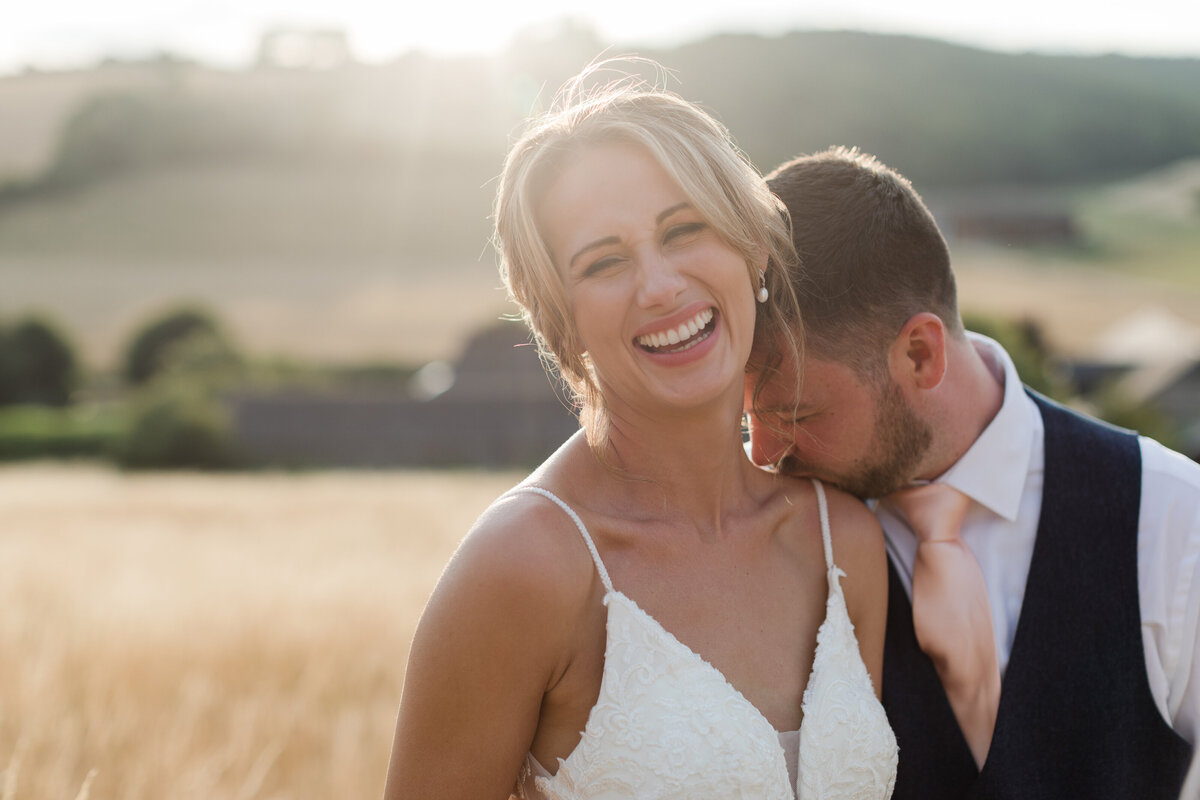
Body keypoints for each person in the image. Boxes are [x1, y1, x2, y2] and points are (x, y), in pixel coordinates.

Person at [382, 70, 899, 800]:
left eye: (685, 229)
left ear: (752, 248)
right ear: (563, 323)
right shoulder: (526, 567)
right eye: (605, 262)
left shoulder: (843, 543)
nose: (659, 286)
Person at [746, 145, 1200, 800]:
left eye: (794, 413)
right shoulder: (775, 536)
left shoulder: (1173, 518)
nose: (761, 452)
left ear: (921, 354)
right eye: (747, 418)